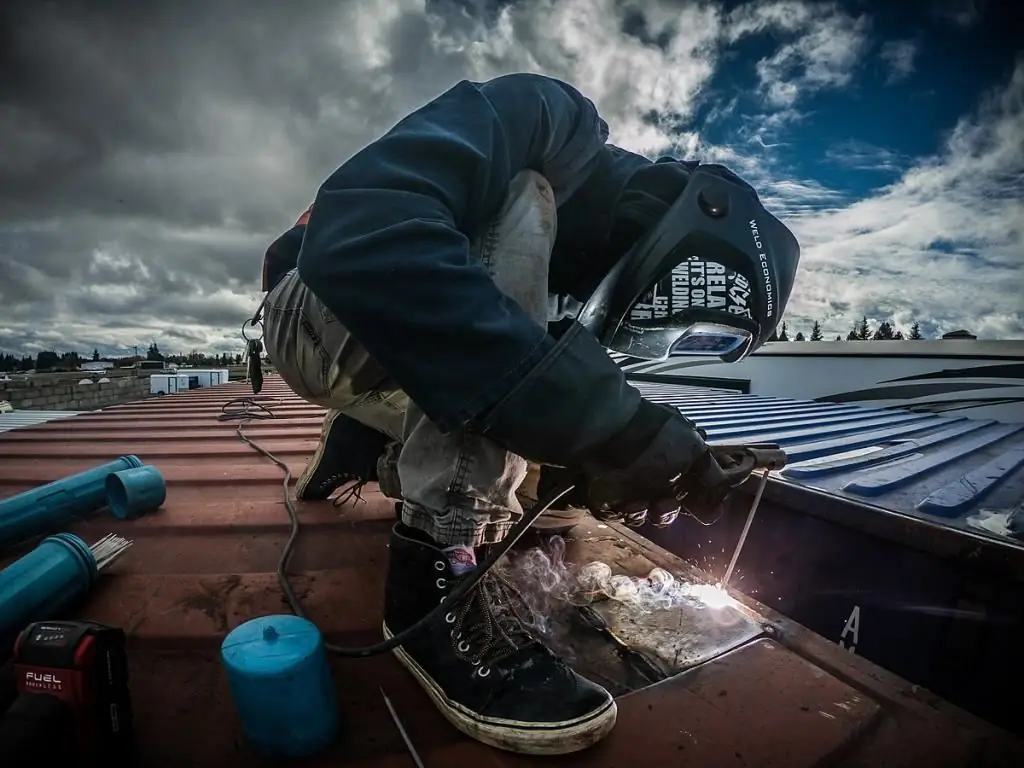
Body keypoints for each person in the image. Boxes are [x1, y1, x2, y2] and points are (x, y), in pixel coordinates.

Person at [258, 73, 799, 755]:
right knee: (521, 199)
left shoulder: (585, 287)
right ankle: (435, 587)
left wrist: (623, 463)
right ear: (698, 237)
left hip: (372, 348)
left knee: (551, 497)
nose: (651, 346)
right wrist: (612, 427)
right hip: (309, 302)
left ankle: (370, 430)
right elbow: (362, 236)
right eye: (676, 326)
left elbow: (542, 390)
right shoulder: (552, 123)